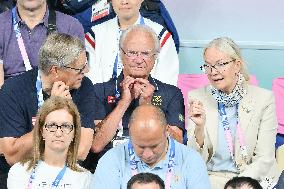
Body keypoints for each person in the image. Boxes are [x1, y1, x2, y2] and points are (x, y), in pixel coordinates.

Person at [83, 24, 184, 172]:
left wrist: (148, 108)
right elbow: (96, 145)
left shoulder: (171, 93)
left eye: (145, 53)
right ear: (121, 54)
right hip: (110, 169)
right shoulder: (98, 91)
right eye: (132, 52)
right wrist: (123, 103)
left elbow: (178, 146)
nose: (138, 59)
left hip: (154, 170)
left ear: (155, 57)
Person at [0, 33, 95, 186]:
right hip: (24, 174)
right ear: (55, 71)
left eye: (86, 64)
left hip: (68, 175)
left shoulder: (84, 86)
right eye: (80, 68)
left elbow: (81, 151)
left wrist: (67, 109)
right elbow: (12, 156)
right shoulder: (12, 90)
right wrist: (50, 110)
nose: (87, 70)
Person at [187, 37, 281, 189]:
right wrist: (199, 128)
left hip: (251, 178)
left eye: (220, 64)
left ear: (237, 65)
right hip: (211, 177)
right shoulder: (197, 98)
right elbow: (193, 158)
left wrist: (237, 185)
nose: (213, 72)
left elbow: (265, 158)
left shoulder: (263, 99)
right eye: (208, 66)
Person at [91, 104, 210, 189]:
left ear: (167, 131)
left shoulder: (191, 160)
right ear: (130, 132)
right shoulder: (111, 160)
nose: (147, 154)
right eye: (140, 147)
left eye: (154, 146)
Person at [85, 0, 179, 86]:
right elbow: (92, 83)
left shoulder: (161, 35)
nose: (124, 2)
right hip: (103, 102)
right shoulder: (95, 35)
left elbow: (167, 84)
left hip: (149, 101)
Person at [7, 96, 92, 188]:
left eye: (66, 126)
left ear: (74, 133)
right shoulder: (19, 171)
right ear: (41, 131)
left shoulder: (85, 179)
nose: (58, 133)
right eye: (52, 125)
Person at [0, 0, 85, 87]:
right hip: (10, 96)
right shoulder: (1, 25)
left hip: (57, 95)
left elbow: (77, 79)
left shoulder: (71, 26)